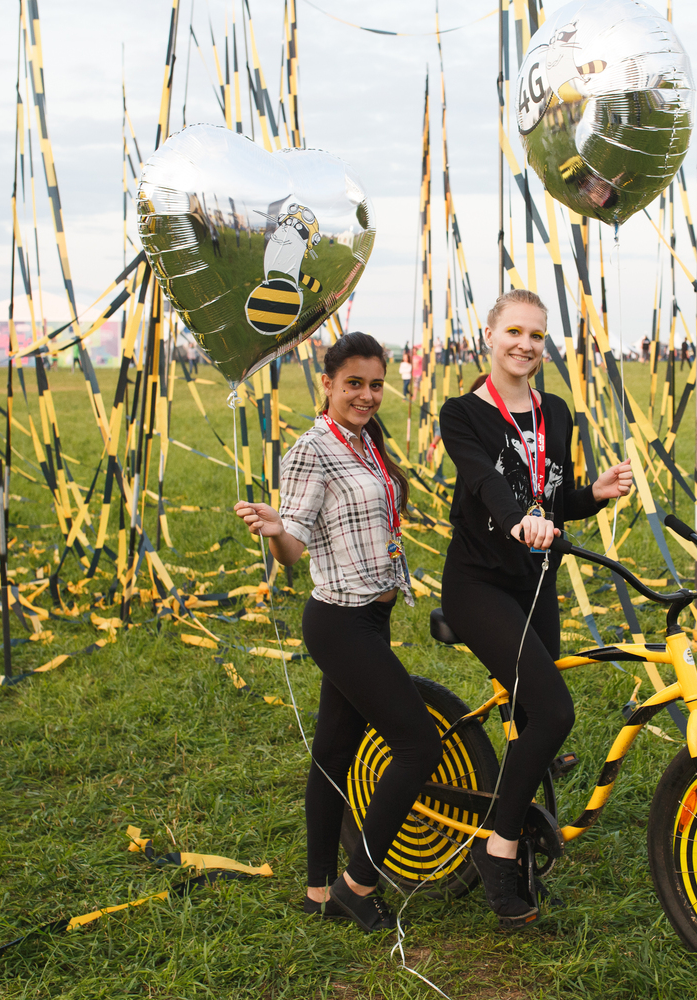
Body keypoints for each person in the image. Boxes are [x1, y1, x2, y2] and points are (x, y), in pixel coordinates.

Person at [438, 289, 633, 928]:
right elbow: (488, 484)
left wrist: (593, 494)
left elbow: (553, 497)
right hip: (479, 584)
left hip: (536, 581)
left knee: (533, 717)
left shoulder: (556, 411)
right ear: (489, 336)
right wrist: (519, 519)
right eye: (514, 332)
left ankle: (521, 820)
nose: (525, 345)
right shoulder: (462, 413)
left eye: (537, 335)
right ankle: (499, 850)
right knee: (554, 712)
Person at [233, 332, 438, 934]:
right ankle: (358, 884)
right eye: (354, 384)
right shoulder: (312, 450)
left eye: (376, 384)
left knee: (332, 756)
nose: (366, 395)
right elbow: (294, 549)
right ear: (327, 384)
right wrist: (275, 527)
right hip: (341, 621)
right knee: (418, 745)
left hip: (372, 616)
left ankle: (318, 891)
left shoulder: (367, 441)